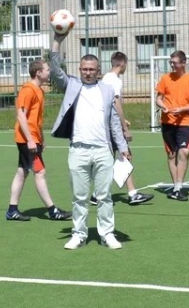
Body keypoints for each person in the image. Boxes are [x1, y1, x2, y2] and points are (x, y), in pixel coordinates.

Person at [48, 29, 131, 249]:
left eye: (92, 69)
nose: (88, 73)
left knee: (104, 196)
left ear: (98, 71)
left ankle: (107, 234)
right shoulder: (72, 85)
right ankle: (79, 234)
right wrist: (57, 42)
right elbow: (56, 71)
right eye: (84, 69)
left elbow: (114, 120)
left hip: (103, 150)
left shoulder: (106, 89)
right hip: (78, 150)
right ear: (80, 70)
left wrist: (122, 146)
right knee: (79, 197)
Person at [6, 59, 71, 221]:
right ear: (38, 73)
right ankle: (52, 210)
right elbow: (21, 116)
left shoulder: (39, 91)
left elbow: (36, 119)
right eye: (47, 70)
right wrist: (30, 139)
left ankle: (12, 210)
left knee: (22, 172)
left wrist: (40, 137)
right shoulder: (28, 90)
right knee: (39, 172)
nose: (49, 72)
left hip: (33, 138)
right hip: (26, 139)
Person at [101, 52, 153, 205]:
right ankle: (132, 194)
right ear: (123, 64)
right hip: (114, 125)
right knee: (126, 155)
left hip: (107, 123)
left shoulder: (105, 78)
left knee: (110, 158)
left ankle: (98, 194)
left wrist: (123, 119)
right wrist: (124, 126)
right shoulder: (115, 80)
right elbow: (116, 102)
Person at [154, 50, 189, 200]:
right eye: (171, 62)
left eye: (174, 62)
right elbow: (158, 98)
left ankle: (179, 187)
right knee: (171, 154)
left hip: (184, 123)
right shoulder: (165, 78)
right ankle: (176, 188)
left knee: (184, 152)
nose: (172, 65)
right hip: (167, 123)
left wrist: (182, 109)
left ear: (183, 63)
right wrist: (163, 107)